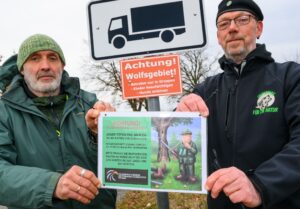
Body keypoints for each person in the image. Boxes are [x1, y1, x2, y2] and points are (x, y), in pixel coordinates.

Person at [176, 0, 300, 208]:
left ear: (259, 28)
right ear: (218, 36)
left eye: (242, 19)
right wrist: (180, 110)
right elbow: (170, 134)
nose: (232, 28)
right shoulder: (205, 90)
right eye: (223, 24)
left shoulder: (290, 77)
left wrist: (260, 184)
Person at [0, 34, 116, 209]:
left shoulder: (90, 104)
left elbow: (118, 165)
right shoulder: (4, 112)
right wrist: (52, 185)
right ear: (22, 69)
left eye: (52, 58)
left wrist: (99, 135)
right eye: (35, 58)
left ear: (62, 65)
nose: (45, 66)